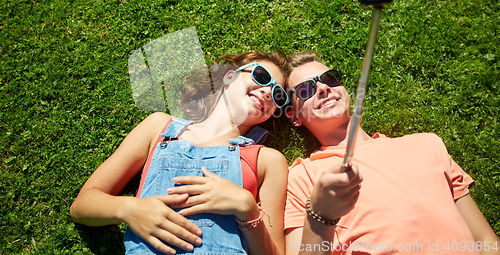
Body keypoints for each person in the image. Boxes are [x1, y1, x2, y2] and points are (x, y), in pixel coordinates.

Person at [70, 50, 289, 255]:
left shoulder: (267, 160)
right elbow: (82, 206)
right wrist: (129, 209)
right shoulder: (160, 127)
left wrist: (248, 208)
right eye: (261, 76)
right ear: (229, 77)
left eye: (278, 95)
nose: (268, 92)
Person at [283, 51, 499, 255]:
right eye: (305, 90)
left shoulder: (427, 144)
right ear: (294, 117)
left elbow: (486, 241)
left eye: (330, 78)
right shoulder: (300, 178)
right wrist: (319, 215)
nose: (323, 88)